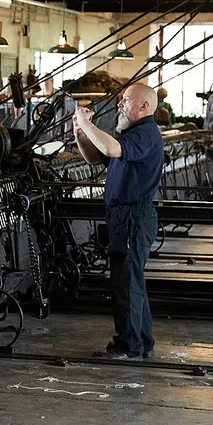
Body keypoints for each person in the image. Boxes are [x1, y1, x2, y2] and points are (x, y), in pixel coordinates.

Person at [71, 83, 164, 361]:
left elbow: (111, 149)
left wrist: (88, 124)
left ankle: (129, 346)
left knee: (127, 284)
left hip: (133, 216)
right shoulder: (132, 135)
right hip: (124, 217)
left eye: (125, 100)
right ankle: (142, 342)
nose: (120, 104)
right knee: (131, 282)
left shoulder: (145, 134)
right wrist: (80, 131)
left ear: (145, 106)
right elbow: (95, 156)